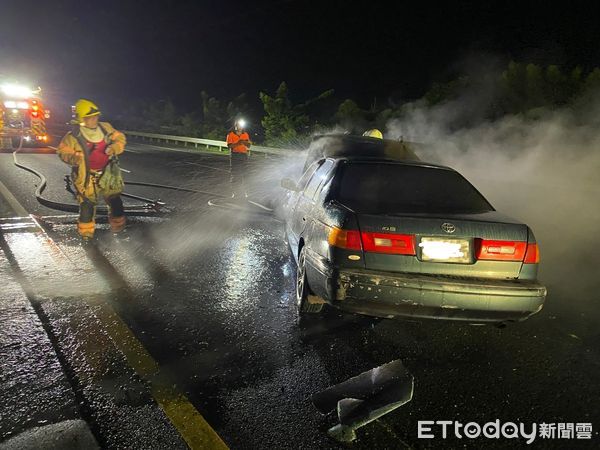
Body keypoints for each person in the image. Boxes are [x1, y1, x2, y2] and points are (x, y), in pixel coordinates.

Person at [57, 99, 126, 241]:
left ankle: (119, 230)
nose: (94, 119)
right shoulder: (74, 136)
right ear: (81, 119)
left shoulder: (105, 128)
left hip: (107, 174)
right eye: (90, 117)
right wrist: (75, 157)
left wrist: (114, 148)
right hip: (87, 177)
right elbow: (62, 151)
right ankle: (86, 235)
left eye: (96, 116)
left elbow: (120, 138)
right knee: (87, 206)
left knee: (115, 202)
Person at [226, 118, 251, 198]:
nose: (240, 127)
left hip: (244, 155)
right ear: (235, 125)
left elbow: (249, 145)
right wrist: (238, 143)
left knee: (245, 174)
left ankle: (245, 193)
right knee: (235, 174)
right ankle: (235, 193)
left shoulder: (245, 134)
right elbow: (229, 146)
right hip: (235, 155)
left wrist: (245, 143)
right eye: (238, 125)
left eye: (241, 125)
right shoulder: (230, 134)